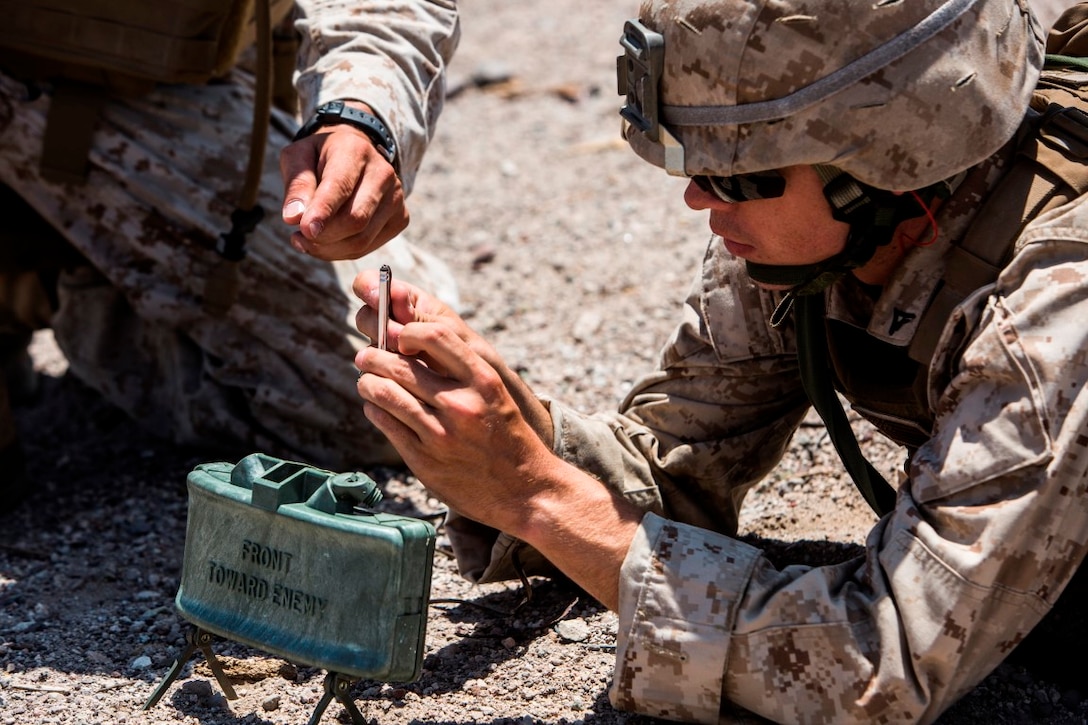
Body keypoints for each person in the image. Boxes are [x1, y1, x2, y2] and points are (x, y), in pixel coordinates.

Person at [352, 0, 1088, 722]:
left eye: (740, 173)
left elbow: (879, 667)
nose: (699, 197)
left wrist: (535, 496)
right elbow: (678, 468)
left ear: (888, 161)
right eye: (693, 159)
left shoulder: (1056, 309)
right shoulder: (806, 244)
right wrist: (512, 424)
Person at [0, 0, 461, 512]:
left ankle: (42, 283)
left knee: (399, 389)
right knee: (391, 407)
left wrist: (360, 117)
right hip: (23, 77)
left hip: (164, 77)